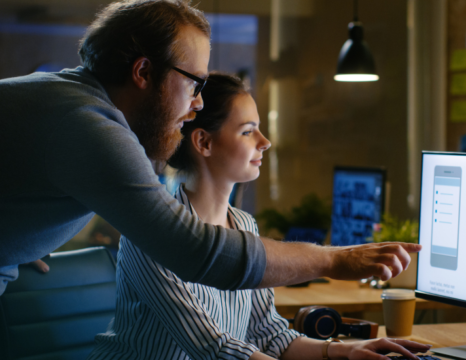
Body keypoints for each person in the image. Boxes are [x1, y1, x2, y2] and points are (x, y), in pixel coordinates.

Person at [0, 0, 419, 296]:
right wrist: (334, 261)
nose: (198, 102)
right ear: (144, 72)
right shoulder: (89, 126)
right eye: (195, 83)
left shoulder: (70, 104)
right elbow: (196, 252)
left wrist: (22, 243)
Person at [88, 73, 431, 360]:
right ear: (204, 142)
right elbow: (214, 349)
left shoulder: (244, 226)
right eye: (248, 130)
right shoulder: (149, 235)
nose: (265, 142)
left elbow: (269, 334)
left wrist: (346, 350)